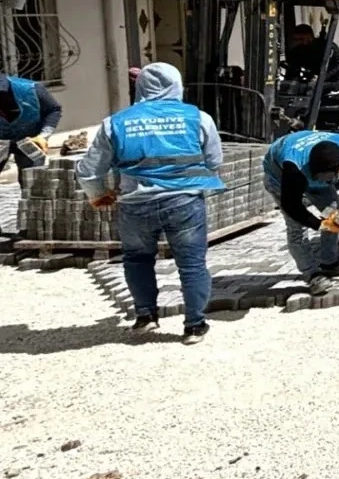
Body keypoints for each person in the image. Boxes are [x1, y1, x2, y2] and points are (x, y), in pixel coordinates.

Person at [76, 63, 224, 344]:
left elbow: (89, 169)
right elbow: (214, 160)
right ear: (177, 85)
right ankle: (194, 325)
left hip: (135, 205)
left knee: (137, 259)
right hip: (183, 202)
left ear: (140, 86)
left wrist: (97, 194)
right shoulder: (198, 118)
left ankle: (145, 315)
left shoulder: (115, 122)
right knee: (191, 264)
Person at [263, 130, 339, 296]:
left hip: (311, 173)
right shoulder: (293, 166)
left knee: (336, 213)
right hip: (280, 177)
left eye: (327, 177)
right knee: (296, 228)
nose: (321, 180)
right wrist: (318, 224)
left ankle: (330, 262)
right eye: (319, 177)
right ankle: (312, 275)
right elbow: (292, 205)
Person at [0, 71, 63, 175]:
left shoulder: (32, 89)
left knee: (32, 180)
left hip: (29, 139)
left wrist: (43, 135)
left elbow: (53, 109)